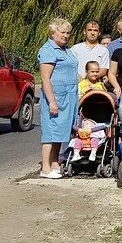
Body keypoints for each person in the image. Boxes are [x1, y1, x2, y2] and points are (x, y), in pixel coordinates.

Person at [38, 18, 79, 179]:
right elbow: (45, 78)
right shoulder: (49, 50)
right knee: (50, 130)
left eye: (68, 33)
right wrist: (52, 102)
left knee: (62, 131)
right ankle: (45, 167)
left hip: (69, 96)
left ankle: (55, 162)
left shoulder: (67, 50)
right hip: (56, 96)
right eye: (62, 32)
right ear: (53, 32)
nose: (66, 35)